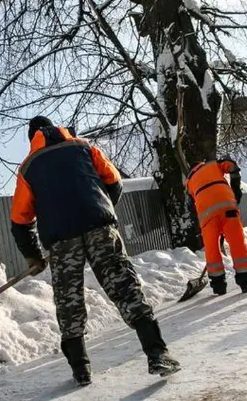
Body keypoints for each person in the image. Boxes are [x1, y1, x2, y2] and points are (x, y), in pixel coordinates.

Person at [10, 116, 180, 386]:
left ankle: (81, 369)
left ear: (32, 139)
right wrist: (102, 209)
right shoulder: (83, 147)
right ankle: (157, 352)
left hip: (61, 238)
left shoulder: (29, 167)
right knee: (124, 285)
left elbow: (20, 220)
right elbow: (114, 181)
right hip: (100, 226)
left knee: (69, 298)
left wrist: (32, 255)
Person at [186, 157, 247, 294]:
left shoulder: (189, 182)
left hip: (206, 215)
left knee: (211, 249)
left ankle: (218, 286)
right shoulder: (213, 165)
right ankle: (246, 282)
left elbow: (191, 205)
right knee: (237, 243)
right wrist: (236, 190)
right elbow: (232, 166)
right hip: (227, 206)